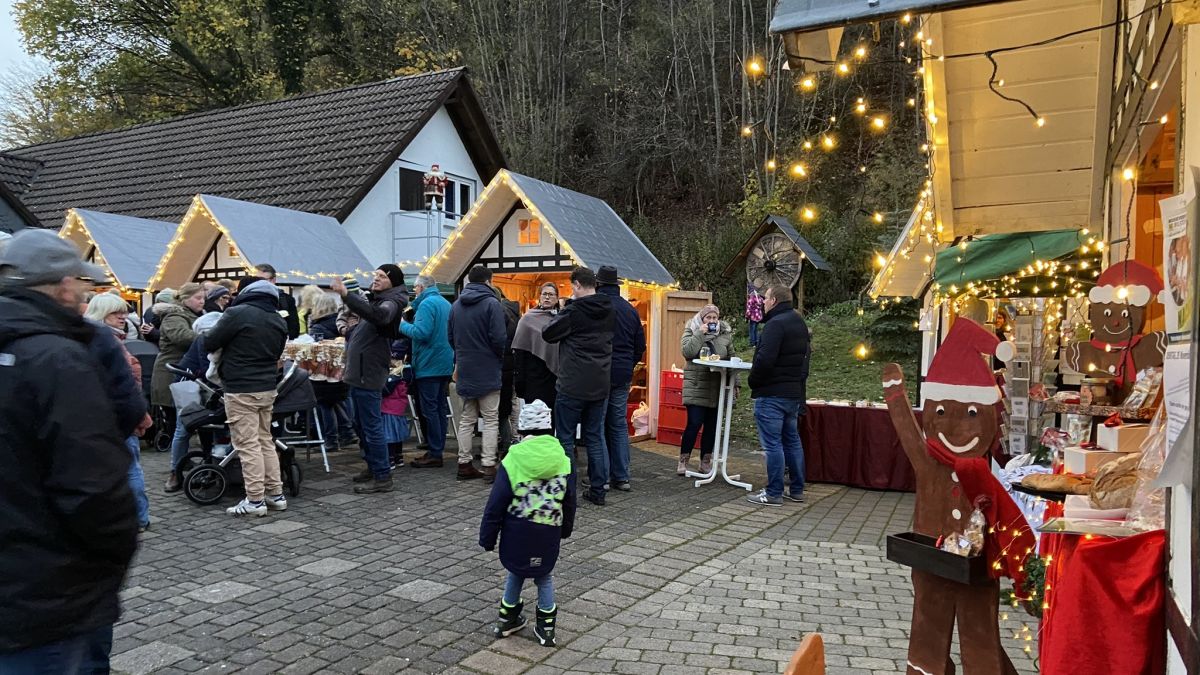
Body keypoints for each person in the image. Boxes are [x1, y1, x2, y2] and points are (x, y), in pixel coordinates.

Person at [0, 229, 138, 672]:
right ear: (63, 285)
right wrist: (113, 555)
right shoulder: (58, 358)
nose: (83, 295)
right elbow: (92, 485)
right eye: (81, 285)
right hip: (47, 587)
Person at [479, 399, 575, 648]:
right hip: (548, 531)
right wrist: (566, 529)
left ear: (522, 430)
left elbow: (496, 503)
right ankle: (546, 626)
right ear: (549, 429)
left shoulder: (513, 460)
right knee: (544, 576)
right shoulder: (563, 460)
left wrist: (487, 537)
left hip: (517, 532)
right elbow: (570, 501)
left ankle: (507, 617)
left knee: (516, 570)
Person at [203, 279, 289, 516]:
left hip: (240, 387)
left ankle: (254, 500)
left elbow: (209, 342)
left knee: (247, 444)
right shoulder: (278, 319)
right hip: (267, 387)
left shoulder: (237, 313)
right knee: (265, 440)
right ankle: (275, 494)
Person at [331, 265, 409, 493]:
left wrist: (347, 294)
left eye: (382, 277)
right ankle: (374, 467)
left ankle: (383, 475)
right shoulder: (378, 300)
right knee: (361, 423)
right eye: (375, 275)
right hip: (360, 372)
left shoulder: (392, 302)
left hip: (369, 373)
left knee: (371, 425)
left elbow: (380, 317)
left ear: (393, 281)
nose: (376, 279)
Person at [542, 266, 614, 506]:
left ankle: (566, 491)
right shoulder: (608, 309)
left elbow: (548, 333)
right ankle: (598, 490)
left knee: (565, 438)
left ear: (576, 286)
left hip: (573, 382)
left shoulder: (574, 311)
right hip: (600, 381)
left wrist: (564, 309)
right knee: (594, 437)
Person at [85, 293, 154, 532]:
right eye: (116, 312)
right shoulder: (108, 344)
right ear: (101, 314)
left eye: (124, 311)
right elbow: (127, 385)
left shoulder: (97, 340)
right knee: (131, 467)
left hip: (106, 417)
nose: (123, 316)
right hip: (117, 418)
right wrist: (139, 415)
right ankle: (139, 518)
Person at [746, 284, 810, 507]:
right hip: (792, 392)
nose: (763, 302)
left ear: (774, 300)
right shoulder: (799, 322)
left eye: (766, 298)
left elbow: (764, 359)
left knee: (773, 445)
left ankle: (773, 492)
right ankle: (797, 489)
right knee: (792, 442)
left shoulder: (775, 325)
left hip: (771, 393)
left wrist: (753, 381)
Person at [449, 265, 507, 481]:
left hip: (465, 368)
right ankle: (489, 465)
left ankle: (463, 464)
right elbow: (499, 338)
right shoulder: (492, 303)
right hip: (488, 368)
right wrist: (496, 357)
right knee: (490, 419)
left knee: (466, 419)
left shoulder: (456, 306)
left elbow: (450, 337)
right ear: (488, 281)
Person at [596, 265, 645, 492]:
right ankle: (622, 476)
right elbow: (640, 346)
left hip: (599, 371)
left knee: (598, 424)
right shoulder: (630, 310)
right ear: (616, 285)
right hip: (623, 372)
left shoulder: (596, 306)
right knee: (617, 424)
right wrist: (629, 364)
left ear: (598, 285)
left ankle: (602, 477)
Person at [153, 283, 205, 492]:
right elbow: (182, 337)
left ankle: (194, 464)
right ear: (184, 298)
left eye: (203, 298)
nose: (202, 301)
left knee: (194, 424)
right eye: (198, 298)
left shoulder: (197, 315)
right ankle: (175, 471)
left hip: (195, 377)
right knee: (181, 426)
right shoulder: (174, 316)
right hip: (174, 377)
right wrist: (212, 335)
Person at [402, 275, 455, 469]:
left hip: (428, 364)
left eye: (415, 288)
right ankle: (437, 448)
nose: (414, 292)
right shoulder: (445, 303)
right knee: (439, 408)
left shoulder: (425, 305)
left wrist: (401, 324)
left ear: (421, 287)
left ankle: (434, 452)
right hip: (443, 363)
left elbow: (421, 333)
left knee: (430, 409)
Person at [678, 304, 732, 476]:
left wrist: (735, 383)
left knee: (712, 426)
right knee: (694, 423)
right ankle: (683, 460)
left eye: (715, 318)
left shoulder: (724, 335)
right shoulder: (691, 329)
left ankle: (705, 462)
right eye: (708, 318)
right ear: (702, 319)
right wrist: (700, 333)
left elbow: (732, 358)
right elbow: (687, 352)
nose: (712, 321)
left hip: (716, 386)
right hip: (697, 385)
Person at [307, 292, 358, 448]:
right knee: (340, 400)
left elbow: (314, 352)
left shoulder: (318, 327)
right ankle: (348, 432)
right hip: (343, 368)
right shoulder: (341, 323)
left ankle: (331, 439)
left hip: (324, 371)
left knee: (324, 403)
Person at [513, 282, 561, 412]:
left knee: (553, 419)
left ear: (557, 298)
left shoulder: (560, 320)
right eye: (544, 294)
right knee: (536, 422)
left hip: (554, 378)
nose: (547, 297)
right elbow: (520, 351)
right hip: (533, 378)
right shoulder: (528, 319)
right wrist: (520, 381)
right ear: (539, 297)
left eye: (551, 294)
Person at [493, 284, 522, 455]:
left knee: (500, 410)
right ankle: (515, 437)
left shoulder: (499, 313)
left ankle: (506, 443)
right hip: (513, 366)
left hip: (502, 367)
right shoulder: (514, 312)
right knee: (512, 403)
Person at [255, 263, 300, 339]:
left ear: (273, 280)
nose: (259, 283)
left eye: (263, 280)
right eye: (256, 280)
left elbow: (294, 329)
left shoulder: (286, 300)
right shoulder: (252, 298)